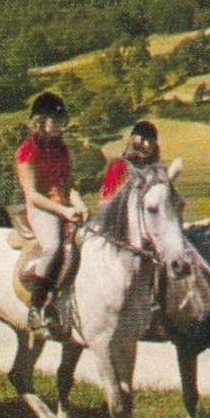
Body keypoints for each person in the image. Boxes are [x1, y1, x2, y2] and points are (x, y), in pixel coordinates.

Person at [15, 92, 87, 332]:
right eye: (53, 120)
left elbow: (68, 186)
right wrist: (62, 210)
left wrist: (80, 205)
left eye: (60, 120)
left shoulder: (62, 149)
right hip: (41, 209)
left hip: (63, 206)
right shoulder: (28, 150)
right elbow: (32, 195)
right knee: (54, 246)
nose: (58, 124)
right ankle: (36, 307)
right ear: (39, 121)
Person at [100, 119, 161, 201]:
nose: (140, 153)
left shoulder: (155, 172)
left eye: (144, 149)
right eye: (136, 146)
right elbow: (106, 199)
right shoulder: (119, 166)